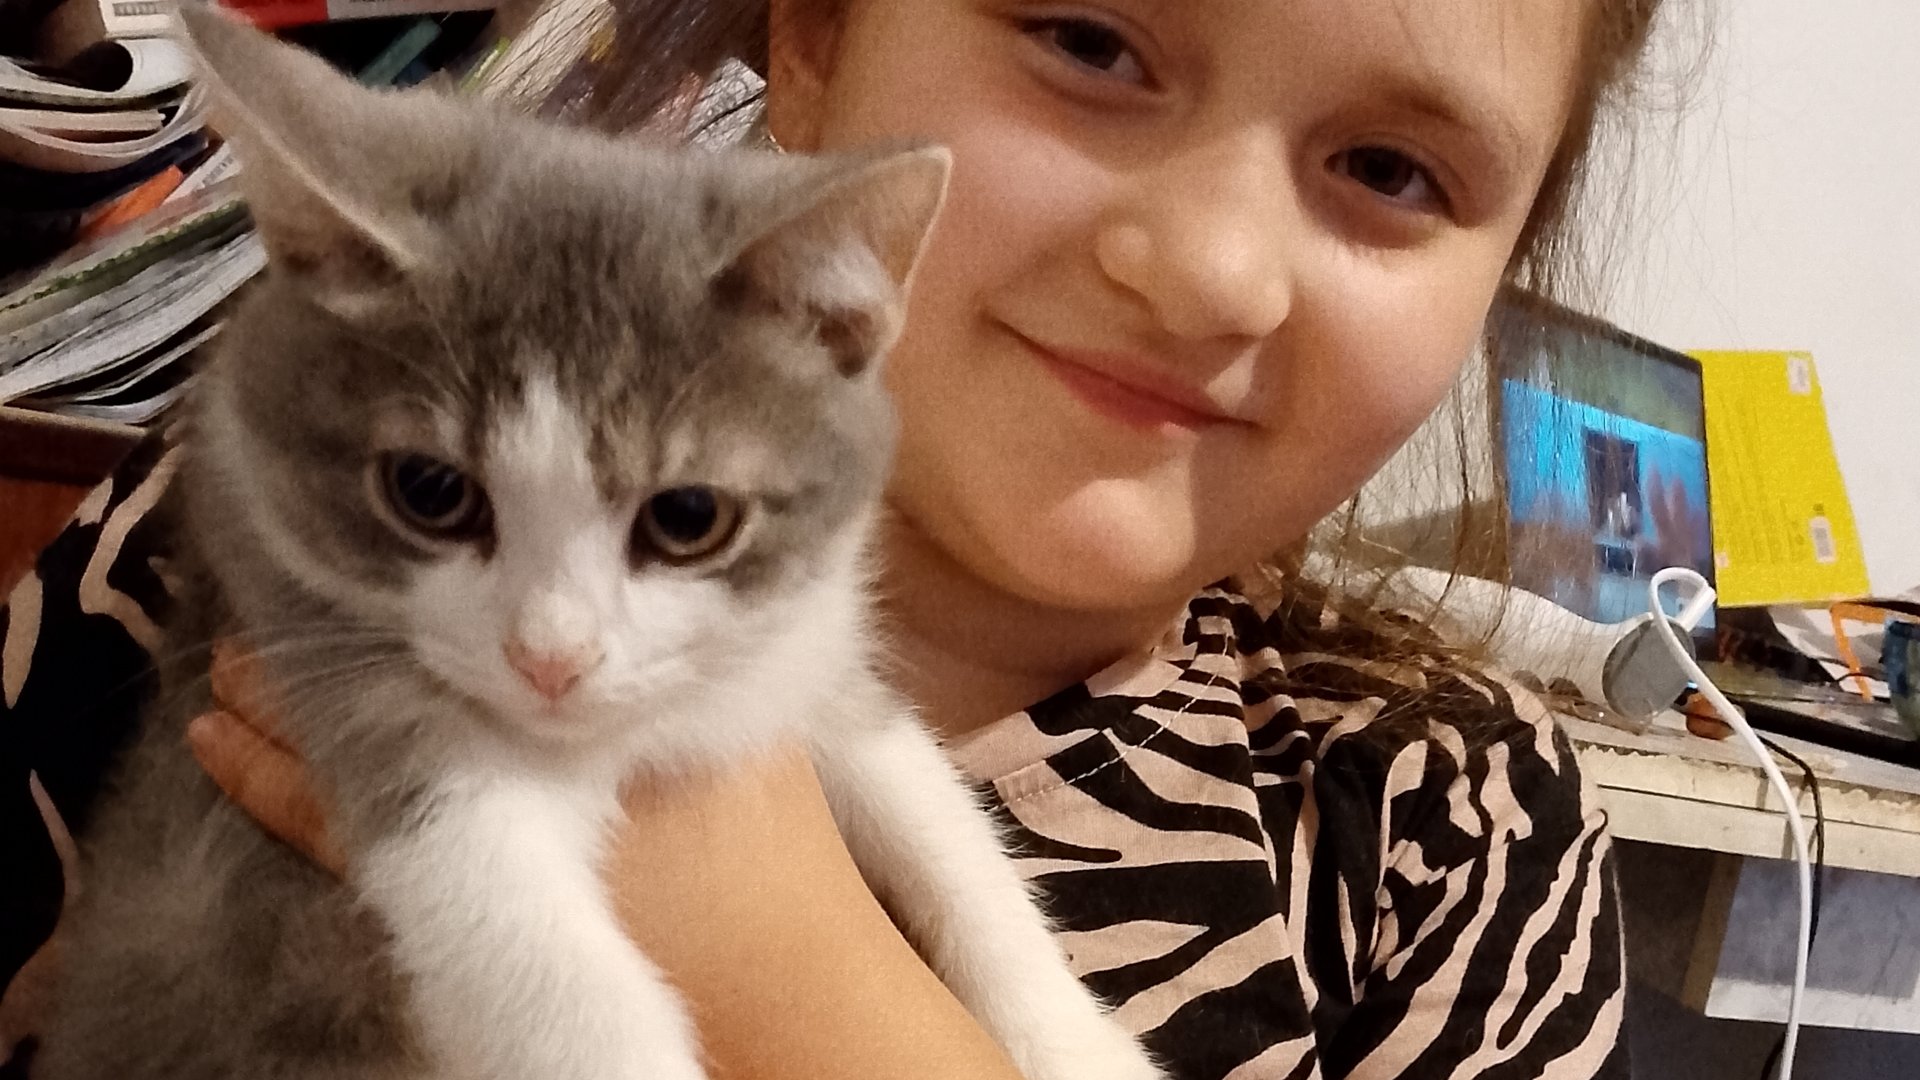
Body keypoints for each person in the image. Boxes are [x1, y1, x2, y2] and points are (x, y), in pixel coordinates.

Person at [0, 0, 1665, 1076]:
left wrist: (811, 994)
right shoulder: (206, 544)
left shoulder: (1452, 849)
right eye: (1091, 40)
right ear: (807, 39)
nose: (1208, 271)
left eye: (1388, 167)